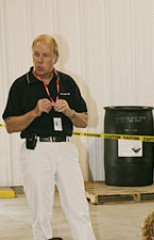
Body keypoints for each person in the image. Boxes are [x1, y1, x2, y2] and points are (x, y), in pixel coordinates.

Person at [2, 34, 96, 240]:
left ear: (55, 57)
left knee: (78, 207)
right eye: (36, 55)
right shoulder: (21, 85)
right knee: (40, 213)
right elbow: (10, 125)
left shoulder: (68, 83)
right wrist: (34, 112)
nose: (39, 60)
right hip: (36, 151)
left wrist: (70, 112)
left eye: (45, 55)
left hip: (65, 149)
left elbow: (84, 120)